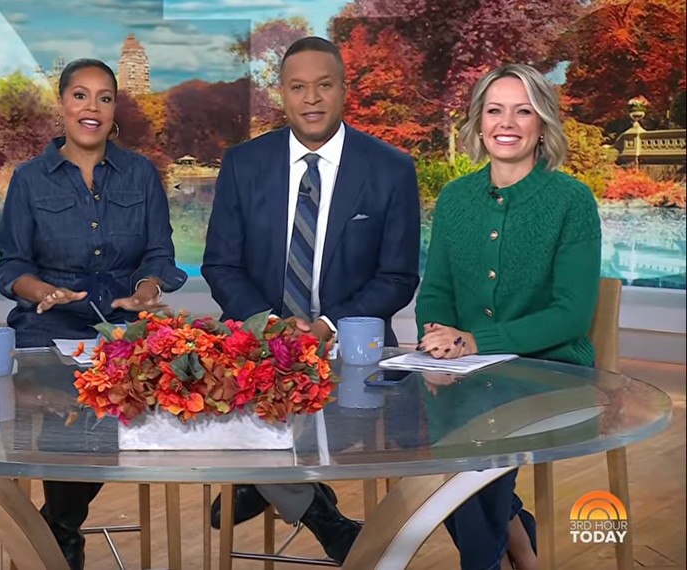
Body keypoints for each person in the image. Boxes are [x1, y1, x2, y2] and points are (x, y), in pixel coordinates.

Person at [201, 36, 421, 564]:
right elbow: (221, 266)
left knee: (272, 427)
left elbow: (398, 276)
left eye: (325, 85)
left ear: (345, 89)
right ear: (282, 94)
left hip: (351, 352)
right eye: (298, 87)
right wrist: (274, 328)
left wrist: (326, 326)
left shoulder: (390, 168)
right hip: (260, 346)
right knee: (213, 395)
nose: (312, 99)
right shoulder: (244, 164)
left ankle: (266, 478)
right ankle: (321, 513)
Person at [0, 58, 187, 569]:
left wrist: (146, 291)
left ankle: (58, 527)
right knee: (71, 409)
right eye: (80, 95)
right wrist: (43, 292)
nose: (92, 107)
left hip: (121, 330)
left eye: (103, 97)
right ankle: (63, 532)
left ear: (114, 108)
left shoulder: (141, 174)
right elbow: (12, 264)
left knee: (125, 405)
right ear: (62, 104)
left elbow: (159, 256)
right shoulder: (30, 180)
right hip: (46, 327)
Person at [416, 62, 602, 570]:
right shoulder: (455, 199)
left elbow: (570, 316)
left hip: (549, 370)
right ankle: (518, 546)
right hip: (466, 371)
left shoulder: (571, 201)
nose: (508, 122)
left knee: (469, 439)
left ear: (542, 124)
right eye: (495, 110)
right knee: (423, 429)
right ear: (479, 123)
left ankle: (490, 560)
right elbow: (435, 292)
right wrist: (436, 342)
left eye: (524, 111)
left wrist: (476, 340)